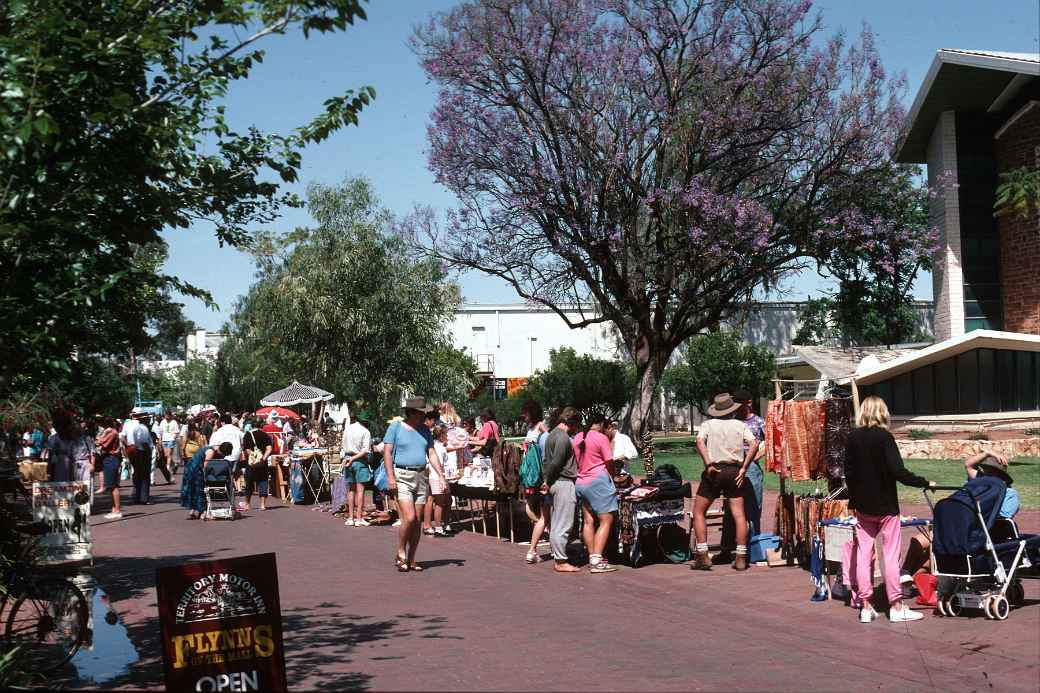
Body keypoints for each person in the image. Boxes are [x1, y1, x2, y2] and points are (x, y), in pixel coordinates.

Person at [845, 395, 932, 624]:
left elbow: (849, 475)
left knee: (864, 555)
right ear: (883, 413)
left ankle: (866, 606)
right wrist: (924, 482)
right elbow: (898, 471)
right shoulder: (884, 437)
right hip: (885, 506)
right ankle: (896, 605)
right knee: (890, 555)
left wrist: (853, 502)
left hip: (863, 507)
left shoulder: (852, 438)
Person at [900, 452, 1018, 586]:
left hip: (976, 531)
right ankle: (905, 573)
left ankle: (912, 580)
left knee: (938, 549)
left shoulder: (1009, 494)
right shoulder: (976, 484)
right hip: (958, 526)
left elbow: (1002, 519)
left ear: (999, 474)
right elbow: (968, 464)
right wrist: (988, 452)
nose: (984, 472)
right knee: (919, 540)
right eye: (985, 469)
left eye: (989, 470)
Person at [692, 393, 759, 572]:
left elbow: (699, 441)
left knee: (699, 511)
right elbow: (754, 444)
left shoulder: (708, 424)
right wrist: (744, 467)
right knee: (739, 515)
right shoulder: (740, 425)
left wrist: (708, 464)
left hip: (714, 470)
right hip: (734, 471)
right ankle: (740, 557)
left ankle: (703, 554)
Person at [383, 396, 450, 572]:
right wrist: (390, 477)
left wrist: (441, 476)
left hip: (421, 476)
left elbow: (431, 453)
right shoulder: (396, 427)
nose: (425, 416)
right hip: (402, 475)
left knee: (417, 521)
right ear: (413, 412)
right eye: (422, 413)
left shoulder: (425, 431)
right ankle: (400, 550)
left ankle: (411, 558)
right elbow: (387, 452)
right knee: (410, 517)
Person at [718, 390, 766, 564]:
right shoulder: (732, 422)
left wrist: (754, 457)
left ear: (748, 402)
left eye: (740, 403)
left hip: (751, 467)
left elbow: (769, 442)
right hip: (733, 466)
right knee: (730, 509)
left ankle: (753, 549)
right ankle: (727, 549)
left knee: (753, 508)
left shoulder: (759, 422)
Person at [572, 411, 619, 574]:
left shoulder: (577, 437)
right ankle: (597, 559)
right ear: (601, 424)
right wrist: (612, 477)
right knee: (606, 520)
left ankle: (592, 556)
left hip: (581, 482)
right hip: (597, 482)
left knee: (588, 521)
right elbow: (609, 462)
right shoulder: (601, 438)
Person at [542, 407, 581, 573]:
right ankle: (560, 560)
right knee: (563, 523)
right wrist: (547, 481)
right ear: (571, 423)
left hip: (557, 482)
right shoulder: (563, 438)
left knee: (557, 522)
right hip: (563, 482)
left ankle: (558, 555)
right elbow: (556, 462)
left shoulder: (552, 434)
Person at [521, 400, 550, 564]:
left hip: (536, 472)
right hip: (533, 473)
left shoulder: (540, 425)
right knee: (544, 514)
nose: (524, 416)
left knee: (544, 513)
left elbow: (547, 441)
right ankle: (534, 548)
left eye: (526, 412)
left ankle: (547, 545)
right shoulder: (531, 428)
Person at [181, 442, 234, 519]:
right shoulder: (211, 452)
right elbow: (205, 467)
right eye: (225, 454)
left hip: (192, 467)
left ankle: (193, 511)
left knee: (193, 490)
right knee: (200, 490)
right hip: (195, 469)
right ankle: (202, 511)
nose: (224, 456)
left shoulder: (216, 447)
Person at [341, 411, 374, 527]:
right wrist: (354, 458)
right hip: (359, 461)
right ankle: (359, 518)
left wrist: (348, 459)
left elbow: (343, 445)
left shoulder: (348, 429)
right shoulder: (366, 432)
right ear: (365, 422)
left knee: (351, 489)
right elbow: (365, 450)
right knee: (360, 490)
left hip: (347, 459)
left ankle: (350, 517)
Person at [423, 425, 455, 537]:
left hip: (433, 476)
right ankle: (439, 527)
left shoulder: (435, 446)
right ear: (441, 435)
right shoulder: (439, 448)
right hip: (437, 477)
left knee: (445, 500)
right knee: (441, 503)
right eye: (446, 434)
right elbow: (440, 464)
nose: (447, 437)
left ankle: (444, 525)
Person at [45, 410, 94, 484]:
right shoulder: (54, 438)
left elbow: (91, 452)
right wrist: (49, 470)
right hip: (62, 468)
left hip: (79, 467)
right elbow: (51, 456)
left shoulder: (83, 437)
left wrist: (91, 464)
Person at [209, 413, 244, 500]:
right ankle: (237, 488)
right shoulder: (237, 430)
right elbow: (244, 440)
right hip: (236, 454)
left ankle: (228, 489)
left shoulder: (219, 432)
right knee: (235, 472)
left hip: (223, 456)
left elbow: (212, 445)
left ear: (222, 422)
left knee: (225, 474)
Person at [96, 417, 123, 519]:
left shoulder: (111, 432)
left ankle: (117, 510)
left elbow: (101, 443)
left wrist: (98, 440)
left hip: (111, 458)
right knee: (110, 486)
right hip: (108, 458)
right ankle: (114, 509)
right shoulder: (109, 432)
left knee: (113, 486)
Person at [241, 427, 274, 511]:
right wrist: (263, 458)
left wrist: (253, 457)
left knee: (249, 482)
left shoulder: (248, 434)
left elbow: (247, 449)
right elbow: (269, 449)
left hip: (251, 463)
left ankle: (247, 504)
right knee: (263, 481)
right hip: (263, 463)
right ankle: (263, 505)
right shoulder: (265, 435)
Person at [125, 412, 155, 504]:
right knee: (145, 476)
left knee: (138, 474)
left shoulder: (138, 428)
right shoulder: (143, 428)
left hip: (138, 452)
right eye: (147, 418)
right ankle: (144, 498)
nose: (149, 420)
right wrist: (149, 452)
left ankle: (138, 496)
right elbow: (144, 442)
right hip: (143, 453)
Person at [157, 410, 180, 482]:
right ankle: (174, 465)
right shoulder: (162, 422)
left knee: (169, 454)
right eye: (165, 416)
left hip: (170, 439)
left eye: (168, 416)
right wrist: (160, 440)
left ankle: (167, 467)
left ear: (170, 416)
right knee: (166, 455)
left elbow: (177, 432)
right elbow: (160, 432)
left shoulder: (174, 422)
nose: (166, 418)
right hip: (164, 440)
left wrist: (173, 438)